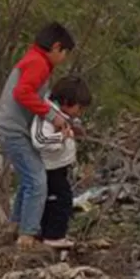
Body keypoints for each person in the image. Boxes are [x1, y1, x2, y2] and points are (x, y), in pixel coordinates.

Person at [0, 23, 75, 248]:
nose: (64, 58)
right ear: (56, 47)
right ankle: (27, 237)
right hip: (12, 130)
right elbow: (22, 93)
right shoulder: (38, 63)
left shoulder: (33, 60)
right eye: (65, 53)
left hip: (10, 128)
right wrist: (53, 117)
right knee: (37, 180)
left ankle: (16, 225)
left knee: (29, 179)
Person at [31, 76, 90, 249]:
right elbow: (40, 140)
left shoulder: (63, 115)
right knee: (61, 200)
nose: (80, 113)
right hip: (50, 167)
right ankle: (54, 235)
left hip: (59, 166)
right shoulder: (48, 116)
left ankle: (47, 233)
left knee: (55, 199)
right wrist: (61, 138)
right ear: (66, 102)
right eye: (79, 108)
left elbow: (70, 124)